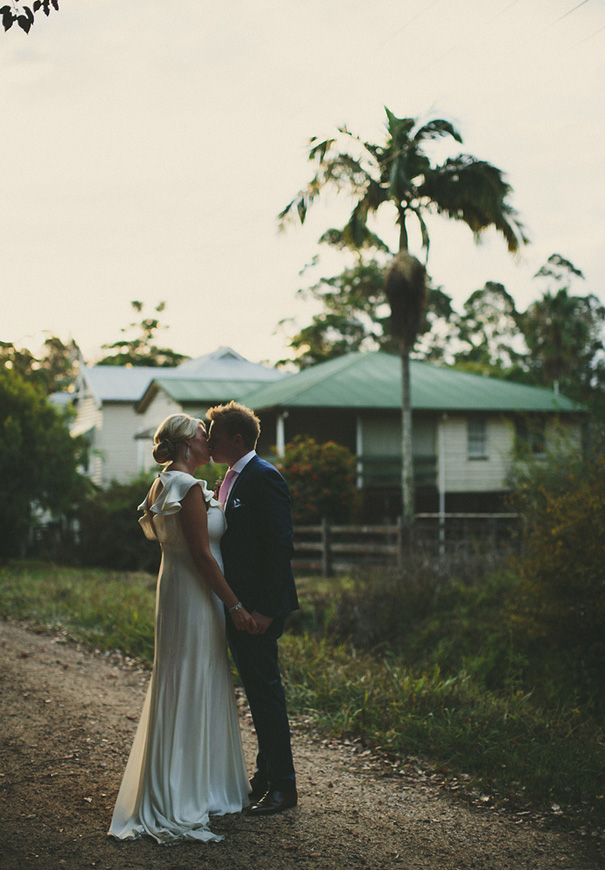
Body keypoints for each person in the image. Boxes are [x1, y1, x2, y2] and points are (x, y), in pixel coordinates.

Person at [108, 413, 257, 844]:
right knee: (192, 677)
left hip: (175, 588)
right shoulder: (187, 487)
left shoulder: (165, 483)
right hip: (194, 593)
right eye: (202, 434)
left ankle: (193, 780)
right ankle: (183, 791)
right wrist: (236, 606)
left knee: (185, 677)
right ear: (187, 444)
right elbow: (203, 556)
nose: (209, 439)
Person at [207, 401, 299, 816]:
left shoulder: (264, 477)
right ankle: (264, 777)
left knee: (265, 696)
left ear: (237, 438)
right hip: (238, 607)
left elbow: (280, 548)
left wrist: (264, 610)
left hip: (258, 611)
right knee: (257, 694)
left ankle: (284, 787)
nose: (210, 443)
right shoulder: (230, 478)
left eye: (215, 436)